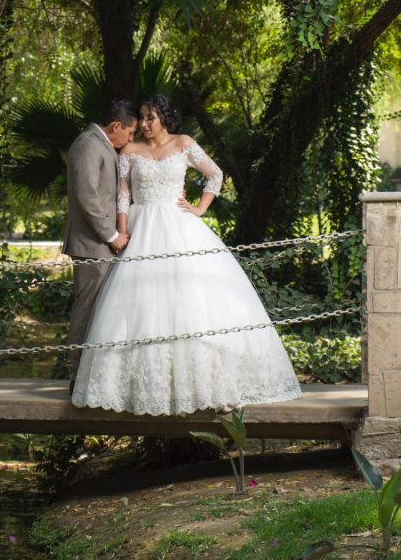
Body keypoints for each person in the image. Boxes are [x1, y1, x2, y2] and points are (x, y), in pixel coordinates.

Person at [72, 94, 301, 415]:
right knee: (139, 307)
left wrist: (199, 208)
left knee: (191, 300)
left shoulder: (184, 143)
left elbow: (215, 174)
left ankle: (201, 383)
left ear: (165, 117)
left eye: (151, 118)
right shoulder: (130, 150)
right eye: (142, 118)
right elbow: (123, 195)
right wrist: (121, 232)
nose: (146, 125)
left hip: (179, 225)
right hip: (142, 229)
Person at [63, 100, 138, 391]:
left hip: (100, 243)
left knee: (100, 310)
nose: (130, 140)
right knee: (87, 308)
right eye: (129, 134)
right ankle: (77, 376)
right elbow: (87, 196)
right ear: (116, 126)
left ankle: (93, 374)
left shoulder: (101, 144)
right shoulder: (88, 145)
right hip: (92, 244)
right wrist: (111, 235)